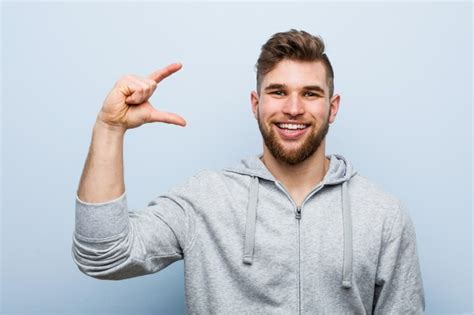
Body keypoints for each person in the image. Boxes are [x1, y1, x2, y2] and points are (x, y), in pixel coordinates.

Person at [72, 29, 425, 314]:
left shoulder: (382, 214)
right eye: (278, 92)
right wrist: (109, 128)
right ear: (256, 104)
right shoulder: (205, 199)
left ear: (332, 108)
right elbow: (104, 255)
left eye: (311, 94)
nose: (293, 108)